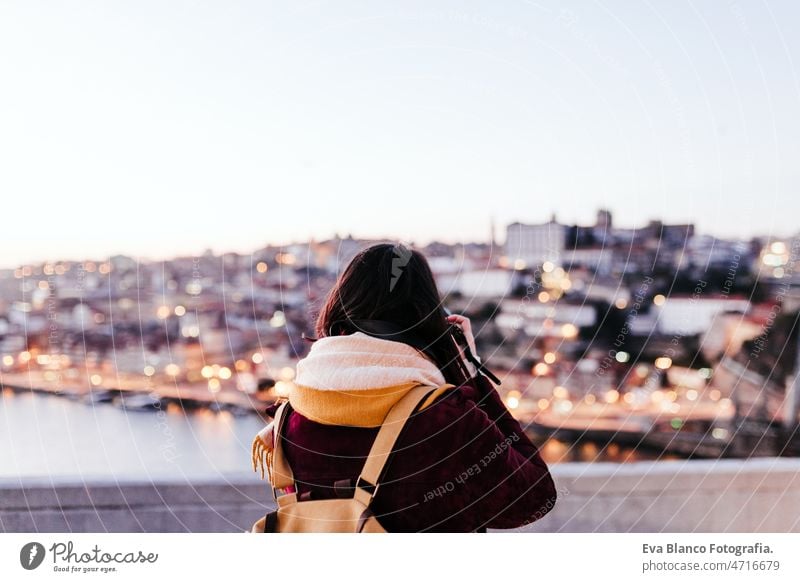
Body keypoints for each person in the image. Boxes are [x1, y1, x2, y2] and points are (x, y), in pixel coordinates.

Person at [254, 242, 557, 532]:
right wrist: (470, 373)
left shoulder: (291, 416)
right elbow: (533, 499)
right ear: (427, 319)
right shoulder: (444, 419)